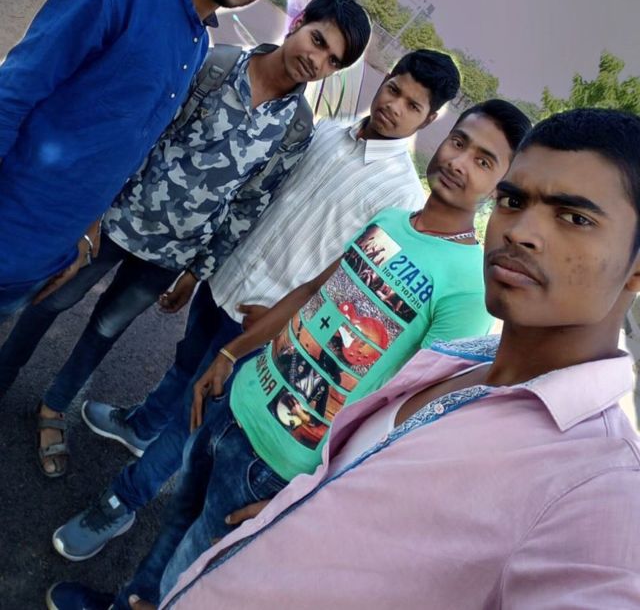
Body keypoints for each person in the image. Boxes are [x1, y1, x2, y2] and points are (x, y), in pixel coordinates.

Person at [49, 107, 640, 610]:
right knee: (172, 539)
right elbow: (315, 295)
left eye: (575, 218)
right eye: (515, 199)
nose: (523, 231)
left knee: (195, 565)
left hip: (277, 465)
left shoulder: (600, 486)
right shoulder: (453, 331)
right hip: (242, 402)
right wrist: (232, 354)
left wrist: (305, 499)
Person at [53, 48, 460, 556]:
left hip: (266, 318)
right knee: (184, 367)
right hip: (228, 280)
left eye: (413, 105)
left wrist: (284, 320)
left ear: (430, 119)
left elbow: (348, 281)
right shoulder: (329, 131)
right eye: (394, 89)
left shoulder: (400, 195)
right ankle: (139, 426)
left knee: (196, 413)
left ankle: (123, 502)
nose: (393, 106)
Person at [0, 0, 370, 476]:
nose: (316, 60)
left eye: (332, 60)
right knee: (52, 299)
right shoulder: (217, 65)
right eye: (318, 40)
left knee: (106, 328)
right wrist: (92, 210)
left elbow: (247, 203)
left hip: (169, 254)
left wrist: (198, 270)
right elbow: (144, 132)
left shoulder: (297, 128)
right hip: (117, 217)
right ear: (298, 23)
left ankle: (54, 407)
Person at [0, 0, 304, 318]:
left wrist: (84, 233)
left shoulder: (198, 44)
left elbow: (122, 145)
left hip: (42, 259)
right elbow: (11, 97)